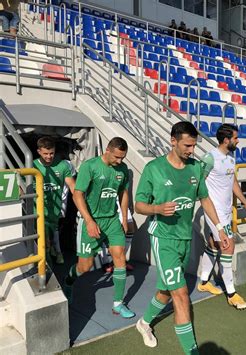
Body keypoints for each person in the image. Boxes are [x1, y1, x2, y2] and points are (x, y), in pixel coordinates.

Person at [134, 121, 229, 352]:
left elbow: (205, 199)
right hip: (163, 238)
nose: (191, 150)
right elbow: (139, 205)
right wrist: (157, 209)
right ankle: (192, 351)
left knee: (167, 291)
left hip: (185, 238)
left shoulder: (195, 168)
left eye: (194, 145)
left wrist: (219, 227)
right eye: (187, 145)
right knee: (181, 293)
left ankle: (144, 323)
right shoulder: (154, 169)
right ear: (173, 141)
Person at [64, 137, 135, 319]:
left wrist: (124, 218)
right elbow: (77, 195)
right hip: (91, 220)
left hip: (112, 220)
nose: (120, 161)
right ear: (108, 151)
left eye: (123, 158)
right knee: (85, 266)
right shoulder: (90, 166)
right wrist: (88, 220)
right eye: (117, 157)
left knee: (119, 255)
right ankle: (69, 281)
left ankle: (118, 304)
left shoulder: (122, 170)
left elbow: (123, 193)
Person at [198, 124, 246, 309]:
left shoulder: (230, 158)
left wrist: (245, 202)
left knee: (214, 245)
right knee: (228, 246)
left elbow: (233, 182)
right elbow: (199, 184)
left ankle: (204, 282)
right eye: (235, 138)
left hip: (226, 211)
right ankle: (231, 293)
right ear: (226, 140)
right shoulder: (209, 158)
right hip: (215, 212)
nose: (238, 141)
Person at [33, 137, 75, 265]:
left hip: (55, 210)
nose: (49, 156)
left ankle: (54, 252)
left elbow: (73, 187)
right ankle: (47, 268)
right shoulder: (32, 165)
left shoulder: (62, 165)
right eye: (45, 153)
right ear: (39, 151)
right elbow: (22, 187)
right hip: (38, 211)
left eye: (51, 153)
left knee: (51, 237)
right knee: (43, 241)